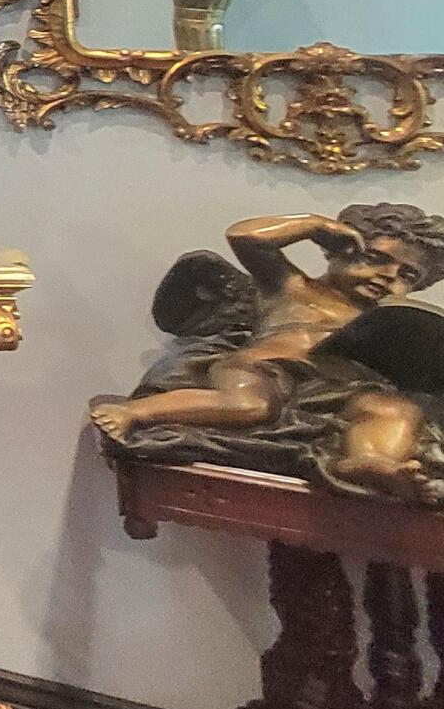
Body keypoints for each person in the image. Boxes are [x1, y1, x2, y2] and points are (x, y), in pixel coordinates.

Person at [91, 205, 444, 502]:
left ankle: (366, 461)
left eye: (406, 275)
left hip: (339, 389)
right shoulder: (295, 287)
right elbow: (246, 238)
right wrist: (315, 226)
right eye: (375, 258)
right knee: (250, 405)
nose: (387, 275)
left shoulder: (385, 321)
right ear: (340, 250)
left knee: (394, 409)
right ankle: (134, 412)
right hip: (265, 370)